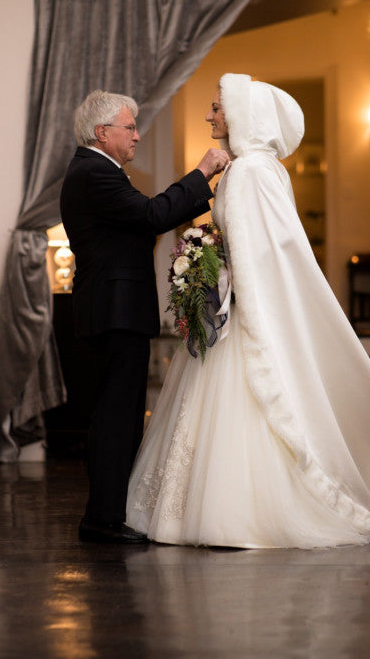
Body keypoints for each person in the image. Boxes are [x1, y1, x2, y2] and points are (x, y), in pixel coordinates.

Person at [125, 74, 370, 549]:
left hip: (243, 316)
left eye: (217, 107)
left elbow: (256, 254)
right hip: (238, 309)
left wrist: (215, 275)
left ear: (243, 115)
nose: (209, 115)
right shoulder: (259, 168)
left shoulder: (248, 172)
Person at [60, 90, 229, 544]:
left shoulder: (96, 170)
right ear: (102, 133)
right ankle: (102, 520)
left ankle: (109, 514)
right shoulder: (94, 172)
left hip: (114, 311)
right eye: (129, 127)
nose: (137, 135)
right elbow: (153, 215)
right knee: (116, 416)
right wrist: (203, 172)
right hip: (113, 313)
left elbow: (138, 224)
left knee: (121, 414)